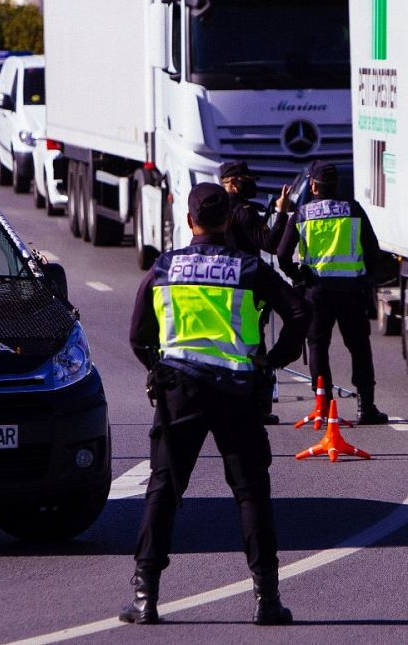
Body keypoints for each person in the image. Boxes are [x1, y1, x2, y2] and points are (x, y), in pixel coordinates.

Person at [121, 183, 309, 627]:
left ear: (189, 222)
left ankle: (146, 599)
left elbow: (136, 336)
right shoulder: (248, 268)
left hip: (178, 391)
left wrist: (160, 367)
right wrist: (272, 360)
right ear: (228, 221)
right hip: (237, 394)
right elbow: (300, 311)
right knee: (251, 494)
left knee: (164, 491)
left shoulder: (164, 267)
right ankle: (267, 600)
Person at [275, 161, 389, 426]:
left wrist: (299, 277)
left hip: (317, 291)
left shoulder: (302, 214)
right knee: (359, 347)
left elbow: (282, 255)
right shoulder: (354, 210)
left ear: (313, 186)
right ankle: (366, 407)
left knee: (318, 347)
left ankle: (323, 407)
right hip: (351, 290)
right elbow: (373, 251)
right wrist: (365, 278)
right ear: (335, 185)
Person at [219, 160, 289, 424]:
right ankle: (259, 408)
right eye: (246, 179)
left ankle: (229, 403)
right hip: (248, 286)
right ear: (233, 183)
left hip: (221, 285)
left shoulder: (217, 210)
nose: (251, 184)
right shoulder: (244, 212)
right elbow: (270, 244)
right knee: (255, 347)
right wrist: (281, 213)